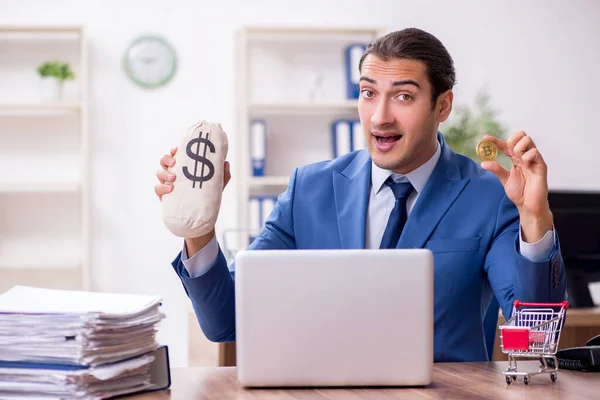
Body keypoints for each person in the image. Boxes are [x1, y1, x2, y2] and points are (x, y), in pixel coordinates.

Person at [155, 28, 566, 362]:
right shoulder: (309, 191)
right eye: (369, 93)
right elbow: (226, 321)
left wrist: (535, 219)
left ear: (443, 106)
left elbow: (534, 334)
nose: (380, 115)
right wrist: (200, 229)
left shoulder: (486, 196)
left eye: (403, 96)